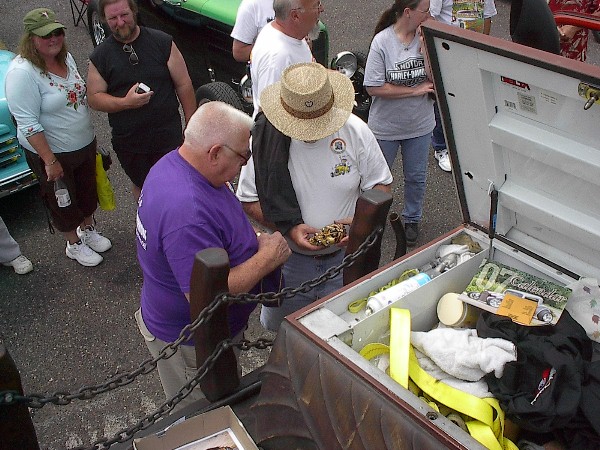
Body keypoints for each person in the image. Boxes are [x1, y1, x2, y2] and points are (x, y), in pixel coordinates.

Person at [135, 101, 290, 410]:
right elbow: (207, 296)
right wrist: (268, 257)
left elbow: (217, 225)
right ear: (215, 152)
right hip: (194, 346)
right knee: (205, 415)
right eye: (243, 156)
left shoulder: (176, 164)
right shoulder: (187, 212)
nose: (244, 165)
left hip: (202, 335)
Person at [237, 62, 393, 332]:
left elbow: (381, 186)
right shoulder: (264, 139)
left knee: (345, 332)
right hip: (288, 261)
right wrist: (289, 228)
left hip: (346, 258)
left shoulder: (356, 131)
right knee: (284, 334)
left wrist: (360, 224)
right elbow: (248, 199)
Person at [6, 8, 111, 267]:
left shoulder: (66, 57)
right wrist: (50, 161)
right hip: (53, 152)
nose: (53, 39)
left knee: (87, 191)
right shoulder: (22, 73)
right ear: (30, 38)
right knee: (62, 200)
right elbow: (28, 124)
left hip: (83, 143)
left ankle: (88, 229)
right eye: (45, 35)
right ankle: (73, 244)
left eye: (57, 32)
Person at [87, 0, 196, 199]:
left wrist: (191, 125)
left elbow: (184, 84)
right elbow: (94, 98)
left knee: (176, 186)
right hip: (131, 145)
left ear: (134, 11)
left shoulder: (162, 42)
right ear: (104, 19)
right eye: (113, 18)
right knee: (144, 189)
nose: (120, 22)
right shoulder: (101, 57)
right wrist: (125, 103)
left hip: (168, 138)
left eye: (124, 15)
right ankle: (146, 219)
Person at [364, 0, 435, 247]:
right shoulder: (382, 42)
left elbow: (436, 79)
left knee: (416, 177)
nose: (429, 15)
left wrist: (426, 48)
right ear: (408, 12)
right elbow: (373, 87)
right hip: (386, 127)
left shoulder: (426, 37)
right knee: (377, 179)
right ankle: (371, 221)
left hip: (420, 125)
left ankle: (412, 219)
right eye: (425, 11)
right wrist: (414, 91)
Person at [428, 0, 497, 172]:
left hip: (471, 53)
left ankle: (466, 145)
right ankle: (441, 146)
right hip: (446, 50)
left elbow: (487, 16)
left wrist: (481, 47)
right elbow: (431, 17)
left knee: (470, 98)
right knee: (443, 99)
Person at [250, 0, 323, 117]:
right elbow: (268, 114)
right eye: (316, 6)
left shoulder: (294, 35)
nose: (322, 9)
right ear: (295, 16)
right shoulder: (276, 58)